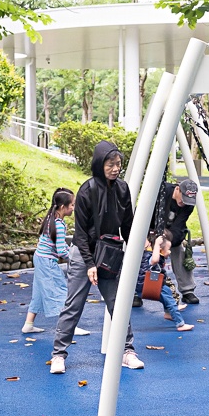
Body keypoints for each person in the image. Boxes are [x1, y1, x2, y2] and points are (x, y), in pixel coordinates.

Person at [50, 141, 144, 374]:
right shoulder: (87, 190)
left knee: (117, 303)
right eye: (110, 164)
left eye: (118, 164)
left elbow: (128, 224)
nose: (115, 169)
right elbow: (80, 233)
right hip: (84, 254)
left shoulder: (122, 189)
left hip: (109, 253)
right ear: (99, 164)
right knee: (74, 305)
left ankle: (127, 351)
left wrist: (137, 248)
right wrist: (90, 264)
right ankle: (58, 355)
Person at [21, 188, 90, 336]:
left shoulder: (51, 219)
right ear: (62, 207)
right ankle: (68, 327)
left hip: (40, 258)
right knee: (62, 291)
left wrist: (70, 251)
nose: (74, 208)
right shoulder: (58, 224)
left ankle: (28, 324)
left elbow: (60, 244)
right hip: (47, 262)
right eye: (72, 205)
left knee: (39, 293)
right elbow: (61, 251)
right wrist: (77, 259)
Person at [134, 179, 199, 308]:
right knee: (140, 254)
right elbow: (143, 213)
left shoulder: (189, 204)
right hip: (148, 228)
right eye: (183, 198)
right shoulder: (160, 192)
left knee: (178, 251)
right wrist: (147, 237)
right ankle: (135, 291)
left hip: (170, 233)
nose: (184, 203)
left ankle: (187, 290)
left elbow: (179, 225)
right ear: (177, 189)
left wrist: (168, 240)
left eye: (187, 200)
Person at [136, 230, 194, 332]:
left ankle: (168, 313)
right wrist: (157, 244)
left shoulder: (148, 251)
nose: (170, 252)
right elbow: (154, 260)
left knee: (168, 292)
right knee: (171, 302)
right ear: (160, 250)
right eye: (168, 250)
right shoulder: (153, 257)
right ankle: (180, 324)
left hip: (154, 284)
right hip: (149, 286)